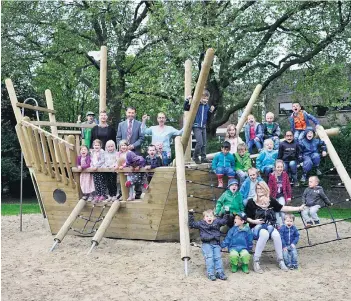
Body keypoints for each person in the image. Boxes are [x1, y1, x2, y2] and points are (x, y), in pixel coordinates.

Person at [245, 181, 305, 273]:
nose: (259, 190)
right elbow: (246, 217)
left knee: (277, 235)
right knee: (264, 234)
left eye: (261, 188)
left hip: (270, 226)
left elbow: (283, 208)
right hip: (256, 227)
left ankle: (281, 260)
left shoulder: (270, 200)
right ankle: (256, 261)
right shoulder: (251, 202)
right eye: (257, 188)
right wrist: (254, 221)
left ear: (265, 189)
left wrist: (298, 208)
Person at [188, 208, 228, 281]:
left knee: (218, 258)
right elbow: (192, 224)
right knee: (209, 258)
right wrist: (191, 214)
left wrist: (227, 212)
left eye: (211, 216)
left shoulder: (216, 222)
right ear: (204, 218)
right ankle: (211, 273)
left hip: (216, 244)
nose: (209, 217)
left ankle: (219, 272)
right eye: (207, 216)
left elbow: (224, 221)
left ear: (214, 217)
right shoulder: (201, 223)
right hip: (206, 244)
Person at [116, 107, 144, 199]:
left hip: (135, 152)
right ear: (126, 113)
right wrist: (123, 146)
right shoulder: (121, 124)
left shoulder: (139, 124)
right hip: (123, 153)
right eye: (129, 112)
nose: (130, 114)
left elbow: (141, 138)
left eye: (132, 113)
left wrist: (132, 146)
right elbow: (118, 137)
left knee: (136, 172)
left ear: (135, 114)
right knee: (123, 172)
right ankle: (122, 193)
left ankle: (138, 193)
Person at [184, 90, 215, 164]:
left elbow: (208, 116)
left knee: (204, 143)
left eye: (207, 99)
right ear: (200, 98)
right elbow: (186, 108)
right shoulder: (196, 105)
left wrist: (211, 111)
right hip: (196, 126)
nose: (205, 100)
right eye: (204, 98)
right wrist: (187, 100)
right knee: (200, 142)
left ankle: (203, 158)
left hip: (203, 126)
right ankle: (195, 156)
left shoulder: (206, 106)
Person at [268, 159, 292, 227]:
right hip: (274, 196)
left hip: (282, 195)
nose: (280, 168)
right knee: (276, 210)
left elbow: (288, 186)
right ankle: (278, 224)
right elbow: (269, 188)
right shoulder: (272, 175)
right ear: (275, 167)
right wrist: (269, 198)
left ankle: (285, 223)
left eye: (281, 167)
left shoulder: (285, 175)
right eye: (278, 167)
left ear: (283, 167)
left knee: (281, 208)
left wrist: (289, 196)